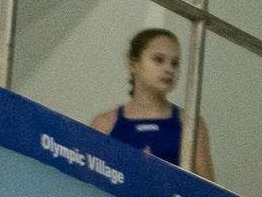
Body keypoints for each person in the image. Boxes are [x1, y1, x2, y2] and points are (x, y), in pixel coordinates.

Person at [88, 26, 214, 178]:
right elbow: (89, 181)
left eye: (175, 63)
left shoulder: (191, 123)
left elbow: (207, 189)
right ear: (133, 64)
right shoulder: (104, 124)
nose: (168, 69)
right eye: (159, 60)